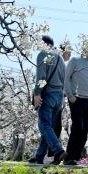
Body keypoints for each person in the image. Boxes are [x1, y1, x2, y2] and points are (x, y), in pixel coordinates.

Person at [29, 35, 66, 165]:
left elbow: (41, 77)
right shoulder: (60, 58)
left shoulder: (43, 54)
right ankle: (39, 156)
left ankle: (58, 150)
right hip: (59, 96)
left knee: (43, 124)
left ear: (43, 43)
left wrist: (37, 93)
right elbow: (64, 79)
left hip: (48, 94)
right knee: (48, 127)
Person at [63, 38, 88, 165]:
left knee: (85, 131)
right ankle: (68, 157)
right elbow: (66, 78)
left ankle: (76, 158)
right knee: (77, 128)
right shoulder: (75, 60)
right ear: (86, 47)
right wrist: (70, 95)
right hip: (77, 100)